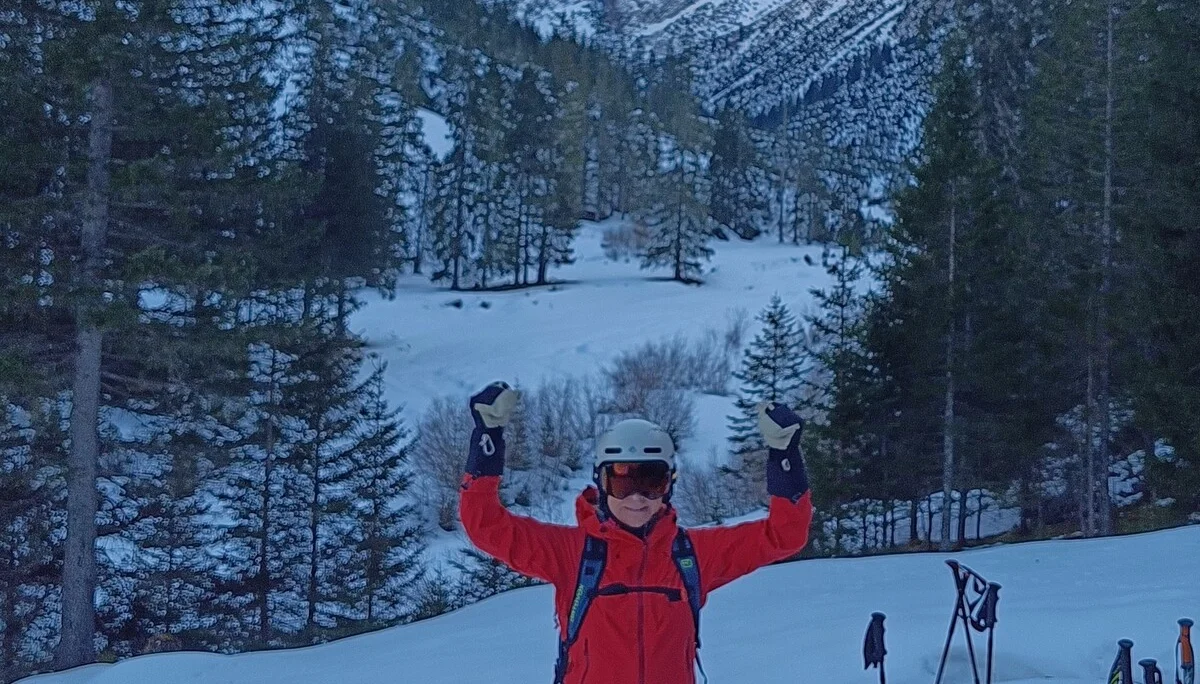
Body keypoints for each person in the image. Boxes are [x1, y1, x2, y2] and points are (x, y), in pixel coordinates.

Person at [459, 381, 814, 684]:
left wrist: (785, 456)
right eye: (622, 481)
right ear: (600, 482)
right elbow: (485, 525)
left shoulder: (691, 556)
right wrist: (487, 437)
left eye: (651, 482)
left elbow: (784, 536)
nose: (636, 498)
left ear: (669, 485)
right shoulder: (571, 553)